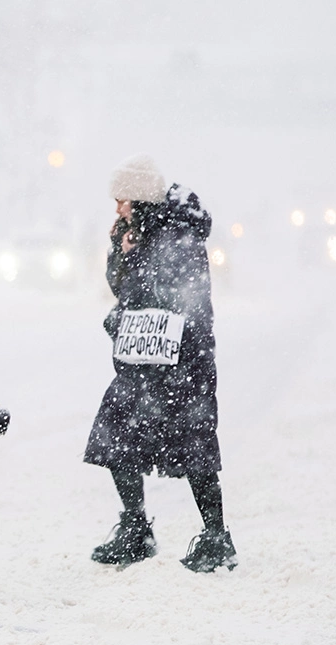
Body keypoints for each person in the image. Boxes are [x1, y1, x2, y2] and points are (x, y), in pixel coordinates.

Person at [84, 154, 237, 572]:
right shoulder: (139, 232)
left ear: (139, 198)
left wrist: (133, 257)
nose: (116, 208)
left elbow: (171, 293)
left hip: (183, 363)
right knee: (117, 437)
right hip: (141, 362)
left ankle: (216, 537)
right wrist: (121, 250)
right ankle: (135, 529)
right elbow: (123, 287)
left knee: (194, 448)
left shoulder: (180, 235)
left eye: (121, 200)